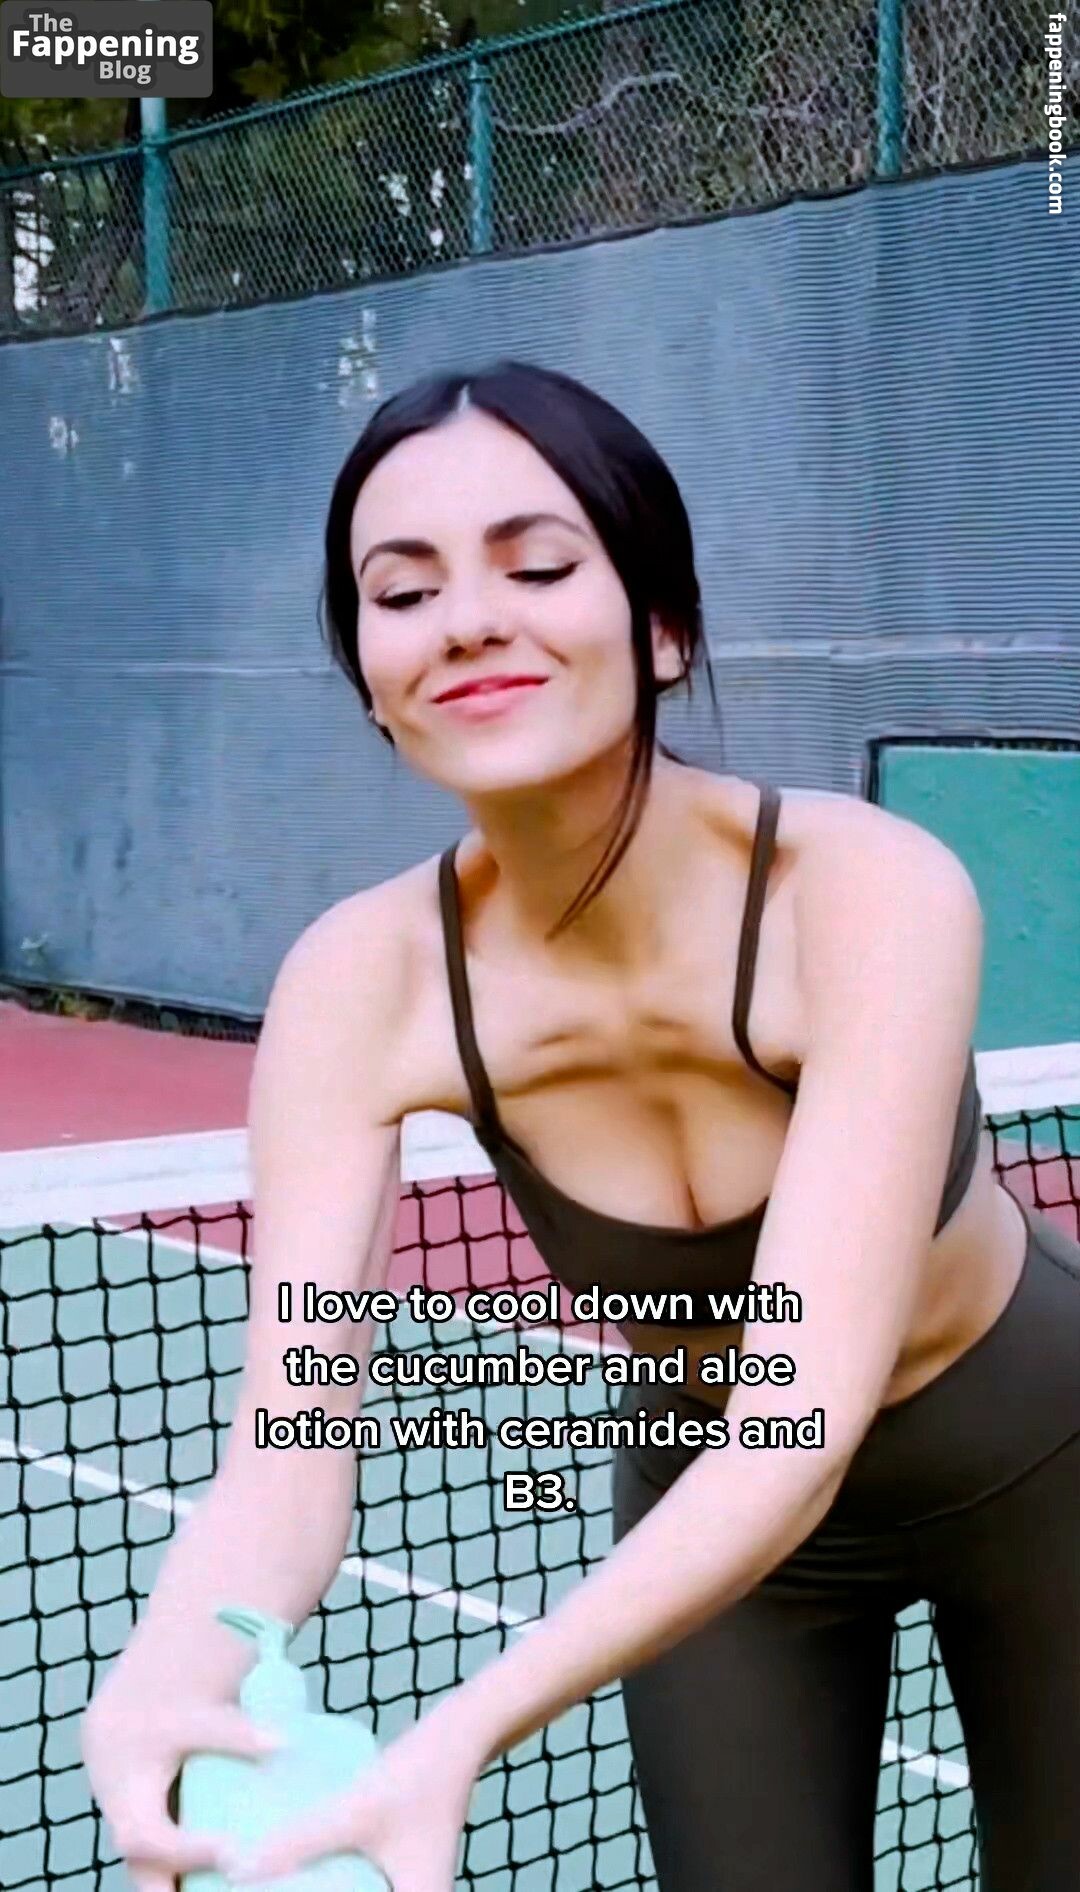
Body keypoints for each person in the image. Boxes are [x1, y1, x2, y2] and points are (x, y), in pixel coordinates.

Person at [82, 360, 1080, 1892]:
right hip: (706, 1513)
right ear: (371, 679)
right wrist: (167, 1668)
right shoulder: (360, 981)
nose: (468, 621)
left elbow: (796, 1424)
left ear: (663, 628)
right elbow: (290, 1443)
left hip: (1034, 1448)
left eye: (538, 567)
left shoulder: (866, 891)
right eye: (402, 593)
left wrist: (459, 1736)